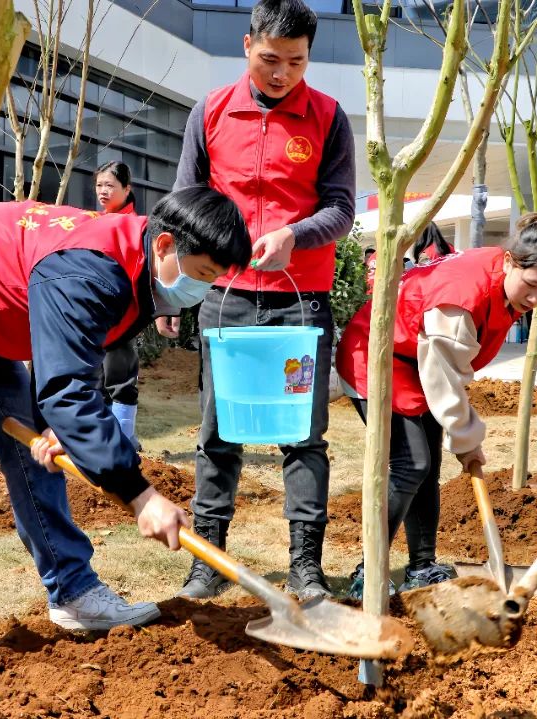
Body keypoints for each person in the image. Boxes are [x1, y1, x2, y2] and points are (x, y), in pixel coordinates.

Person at [0, 186, 252, 700]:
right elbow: (65, 390)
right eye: (201, 276)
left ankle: (74, 592)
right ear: (166, 245)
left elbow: (77, 360)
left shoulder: (137, 266)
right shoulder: (91, 269)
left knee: (37, 449)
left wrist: (66, 426)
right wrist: (141, 496)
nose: (200, 291)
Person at [173, 0, 355, 600]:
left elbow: (342, 210)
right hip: (225, 298)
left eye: (296, 62)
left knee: (303, 436)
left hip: (299, 303)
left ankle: (305, 565)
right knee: (218, 432)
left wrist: (294, 235)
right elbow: (184, 204)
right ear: (246, 44)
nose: (281, 74)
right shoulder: (211, 111)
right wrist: (177, 289)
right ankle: (208, 560)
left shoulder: (328, 117)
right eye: (270, 59)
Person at [335, 214, 537, 597]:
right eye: (532, 285)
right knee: (409, 463)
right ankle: (369, 571)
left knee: (427, 467)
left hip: (417, 361)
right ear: (509, 262)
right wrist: (466, 437)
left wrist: (463, 435)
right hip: (378, 356)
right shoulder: (461, 296)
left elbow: (446, 369)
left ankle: (420, 567)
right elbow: (443, 376)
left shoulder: (503, 277)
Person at [94, 161, 146, 449]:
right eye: (99, 185)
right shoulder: (97, 220)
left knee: (120, 377)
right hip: (96, 313)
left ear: (127, 189)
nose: (103, 191)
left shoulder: (135, 226)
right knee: (96, 378)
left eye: (110, 185)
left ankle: (125, 438)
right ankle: (104, 441)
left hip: (123, 313)